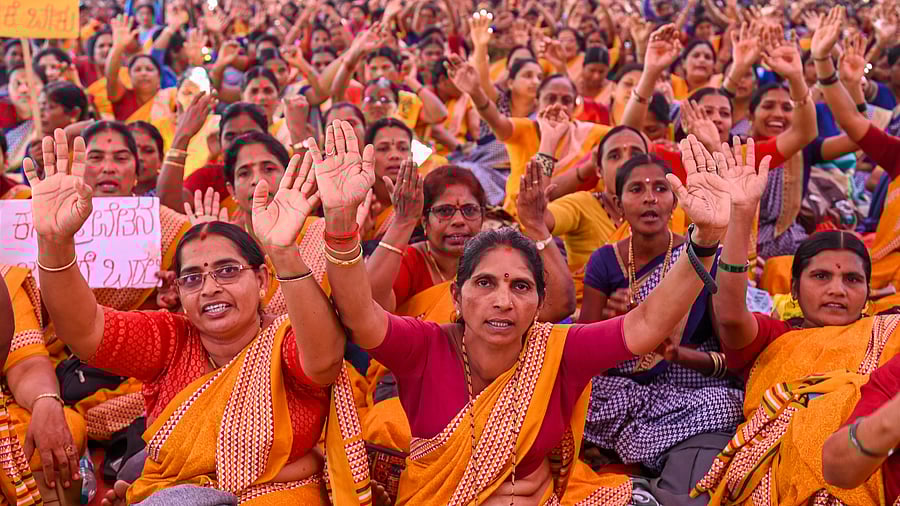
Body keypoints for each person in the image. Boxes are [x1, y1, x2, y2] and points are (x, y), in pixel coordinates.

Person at [315, 116, 735, 502]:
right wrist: (339, 220)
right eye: (485, 283)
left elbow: (646, 323)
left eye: (520, 286)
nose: (503, 300)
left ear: (539, 303)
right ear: (456, 299)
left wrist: (706, 238)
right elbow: (359, 313)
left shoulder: (557, 352)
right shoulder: (424, 347)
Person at [23, 129, 348, 503]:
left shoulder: (285, 343)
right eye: (193, 278)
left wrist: (284, 253)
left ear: (261, 279)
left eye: (227, 271)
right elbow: (85, 330)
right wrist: (55, 243)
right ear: (178, 289)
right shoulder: (171, 339)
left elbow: (324, 362)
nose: (210, 288)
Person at [579, 154, 745, 504]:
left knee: (726, 403)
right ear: (618, 204)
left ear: (675, 203)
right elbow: (586, 358)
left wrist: (674, 353)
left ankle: (637, 457)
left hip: (686, 383)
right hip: (622, 389)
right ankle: (653, 456)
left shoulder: (700, 254)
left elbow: (728, 355)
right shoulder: (604, 261)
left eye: (660, 189)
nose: (650, 197)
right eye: (636, 190)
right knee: (582, 400)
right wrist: (621, 326)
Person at [128, 121, 163, 196]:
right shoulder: (106, 196)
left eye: (148, 151)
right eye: (132, 151)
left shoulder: (178, 196)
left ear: (161, 159)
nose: (139, 157)